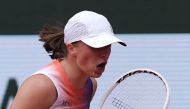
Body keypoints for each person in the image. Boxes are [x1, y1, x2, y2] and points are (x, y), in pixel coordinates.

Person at [10, 10, 126, 109]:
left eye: (108, 46)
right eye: (96, 46)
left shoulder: (91, 85)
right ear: (71, 48)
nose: (104, 54)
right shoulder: (40, 86)